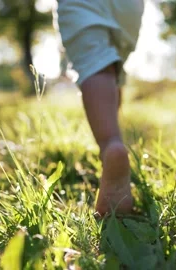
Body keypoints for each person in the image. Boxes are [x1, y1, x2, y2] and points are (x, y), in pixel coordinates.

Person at [54, 0, 145, 216]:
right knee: (113, 70)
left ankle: (110, 145)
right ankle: (115, 142)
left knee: (96, 64)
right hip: (129, 7)